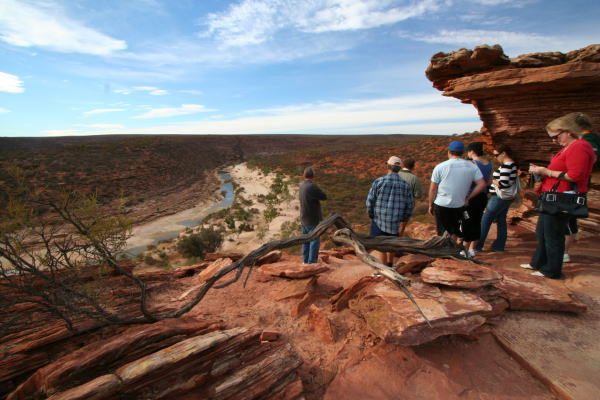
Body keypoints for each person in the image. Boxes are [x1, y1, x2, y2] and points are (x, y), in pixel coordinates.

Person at [521, 113, 595, 279]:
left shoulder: (580, 146)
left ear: (568, 131)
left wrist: (545, 171)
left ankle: (552, 270)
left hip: (562, 198)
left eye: (556, 136)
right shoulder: (569, 148)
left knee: (553, 235)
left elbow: (575, 175)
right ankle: (538, 263)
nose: (553, 140)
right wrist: (541, 171)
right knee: (542, 232)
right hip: (552, 196)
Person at [428, 141, 486, 242]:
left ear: (449, 151)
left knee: (443, 232)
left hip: (441, 204)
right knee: (454, 230)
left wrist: (430, 205)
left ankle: (444, 254)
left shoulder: (440, 166)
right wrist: (468, 198)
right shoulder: (471, 166)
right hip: (459, 205)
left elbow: (433, 189)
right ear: (462, 153)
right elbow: (482, 184)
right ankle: (452, 252)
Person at [366, 156, 414, 266]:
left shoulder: (379, 181)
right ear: (399, 168)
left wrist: (371, 215)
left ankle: (384, 268)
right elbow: (410, 205)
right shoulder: (405, 185)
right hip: (395, 222)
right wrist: (403, 219)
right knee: (392, 243)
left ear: (388, 166)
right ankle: (390, 264)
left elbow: (370, 202)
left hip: (379, 220)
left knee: (381, 245)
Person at [475, 144, 518, 253]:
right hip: (505, 197)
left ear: (504, 154)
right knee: (501, 219)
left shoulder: (507, 166)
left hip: (499, 197)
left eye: (497, 155)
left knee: (486, 218)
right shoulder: (512, 164)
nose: (496, 157)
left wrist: (493, 180)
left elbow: (502, 184)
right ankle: (498, 246)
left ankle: (477, 246)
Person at [462, 142, 493, 257]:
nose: (468, 154)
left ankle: (465, 249)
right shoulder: (489, 164)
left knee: (467, 220)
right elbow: (489, 182)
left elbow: (467, 181)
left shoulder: (472, 164)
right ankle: (472, 249)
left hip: (470, 197)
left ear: (472, 151)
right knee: (477, 221)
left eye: (469, 151)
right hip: (482, 197)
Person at [299, 167, 327, 264]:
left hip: (303, 217)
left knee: (305, 240)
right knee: (314, 239)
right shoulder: (312, 187)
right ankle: (312, 262)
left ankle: (305, 261)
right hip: (312, 218)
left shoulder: (301, 186)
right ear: (313, 176)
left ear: (304, 175)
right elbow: (324, 196)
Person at [397, 158, 423, 236]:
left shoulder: (394, 175)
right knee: (402, 226)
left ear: (403, 165)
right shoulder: (414, 179)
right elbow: (418, 195)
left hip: (392, 204)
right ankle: (397, 241)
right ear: (413, 167)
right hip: (406, 206)